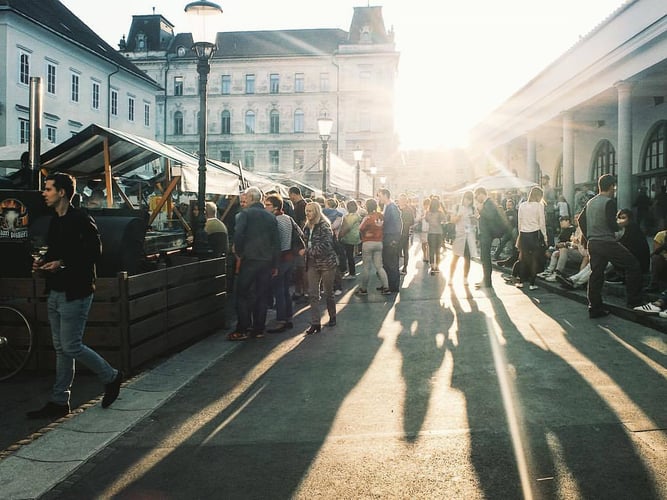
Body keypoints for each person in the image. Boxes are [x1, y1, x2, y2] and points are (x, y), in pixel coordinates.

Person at [27, 172, 122, 419]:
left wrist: (63, 263)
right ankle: (60, 401)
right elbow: (56, 253)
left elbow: (95, 252)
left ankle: (111, 376)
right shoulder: (55, 220)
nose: (44, 193)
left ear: (61, 192)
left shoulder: (80, 218)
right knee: (62, 348)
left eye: (48, 189)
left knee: (71, 345)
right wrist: (44, 264)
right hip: (56, 290)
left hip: (75, 291)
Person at [578, 174, 643, 318]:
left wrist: (588, 234)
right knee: (632, 265)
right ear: (611, 186)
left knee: (596, 274)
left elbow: (581, 220)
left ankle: (594, 307)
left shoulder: (590, 202)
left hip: (593, 242)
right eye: (614, 187)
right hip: (606, 242)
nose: (615, 190)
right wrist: (620, 225)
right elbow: (612, 224)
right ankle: (634, 301)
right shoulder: (609, 202)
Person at [227, 186, 280, 340]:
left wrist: (240, 253)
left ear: (250, 198)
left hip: (250, 260)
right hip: (266, 262)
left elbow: (238, 234)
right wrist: (275, 264)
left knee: (242, 294)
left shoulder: (245, 214)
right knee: (261, 296)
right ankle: (258, 329)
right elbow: (276, 243)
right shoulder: (270, 217)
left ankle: (242, 329)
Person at [264, 194, 299, 333]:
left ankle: (281, 320)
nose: (265, 207)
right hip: (290, 257)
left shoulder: (274, 220)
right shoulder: (288, 218)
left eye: (268, 205)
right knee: (285, 289)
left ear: (276, 207)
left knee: (278, 290)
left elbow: (274, 243)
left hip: (280, 259)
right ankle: (288, 317)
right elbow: (299, 233)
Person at [303, 201, 338, 334]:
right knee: (313, 294)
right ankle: (315, 322)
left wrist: (307, 251)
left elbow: (326, 246)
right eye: (307, 210)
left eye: (310, 210)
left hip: (326, 263)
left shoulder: (324, 226)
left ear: (316, 212)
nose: (308, 213)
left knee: (328, 292)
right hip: (312, 263)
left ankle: (332, 316)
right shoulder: (307, 226)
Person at [604, 208, 650, 284]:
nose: (621, 220)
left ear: (629, 219)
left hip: (638, 263)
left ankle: (621, 276)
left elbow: (624, 246)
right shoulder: (627, 228)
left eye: (624, 218)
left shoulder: (633, 229)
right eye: (619, 218)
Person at [516, 186, 548, 290]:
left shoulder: (522, 205)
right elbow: (542, 223)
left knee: (523, 258)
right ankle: (532, 284)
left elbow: (519, 222)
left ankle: (521, 281)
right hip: (535, 234)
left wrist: (520, 234)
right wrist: (545, 237)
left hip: (524, 233)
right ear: (538, 196)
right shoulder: (539, 206)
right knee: (534, 259)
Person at [357, 198, 389, 295]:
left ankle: (363, 289)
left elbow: (360, 228)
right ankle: (386, 287)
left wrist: (363, 221)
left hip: (368, 243)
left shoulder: (368, 217)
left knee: (366, 267)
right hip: (379, 243)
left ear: (367, 207)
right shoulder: (381, 216)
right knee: (379, 266)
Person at [449, 191, 478, 285]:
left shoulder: (473, 208)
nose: (468, 201)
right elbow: (452, 220)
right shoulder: (457, 207)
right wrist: (459, 216)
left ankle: (465, 278)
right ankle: (451, 278)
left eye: (470, 199)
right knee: (455, 257)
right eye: (466, 198)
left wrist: (473, 218)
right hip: (459, 235)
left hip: (469, 236)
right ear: (463, 198)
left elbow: (475, 223)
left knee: (467, 258)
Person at [474, 186, 501, 289]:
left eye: (477, 196)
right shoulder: (486, 203)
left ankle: (487, 282)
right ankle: (485, 280)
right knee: (484, 258)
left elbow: (490, 216)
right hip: (484, 234)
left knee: (485, 258)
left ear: (481, 194)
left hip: (487, 234)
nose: (477, 199)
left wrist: (481, 211)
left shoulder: (489, 202)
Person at [538, 215, 578, 281]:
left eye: (562, 221)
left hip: (569, 249)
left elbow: (572, 242)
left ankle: (557, 273)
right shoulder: (564, 230)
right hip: (561, 248)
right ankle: (549, 271)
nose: (560, 223)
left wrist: (564, 244)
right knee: (552, 252)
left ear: (568, 221)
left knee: (559, 252)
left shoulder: (573, 229)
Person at [377, 189, 402, 293]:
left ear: (386, 195)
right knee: (387, 262)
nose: (379, 198)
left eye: (380, 196)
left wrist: (396, 239)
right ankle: (387, 285)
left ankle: (393, 287)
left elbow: (398, 223)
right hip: (388, 237)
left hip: (391, 238)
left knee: (391, 263)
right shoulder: (389, 207)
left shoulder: (392, 207)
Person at [288, 186, 308, 301]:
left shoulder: (301, 205)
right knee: (299, 268)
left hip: (300, 242)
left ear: (294, 194)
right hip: (299, 240)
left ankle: (303, 292)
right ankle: (300, 291)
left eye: (290, 195)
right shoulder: (300, 205)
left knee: (301, 267)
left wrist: (300, 234)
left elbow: (303, 222)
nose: (290, 197)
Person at [338, 200, 362, 279]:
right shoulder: (358, 216)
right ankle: (351, 272)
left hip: (348, 238)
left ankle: (351, 273)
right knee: (350, 255)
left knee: (348, 256)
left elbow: (347, 227)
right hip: (355, 237)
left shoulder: (349, 217)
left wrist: (340, 236)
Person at [424, 197, 447, 275]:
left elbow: (426, 219)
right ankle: (437, 266)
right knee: (437, 250)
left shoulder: (428, 212)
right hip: (439, 233)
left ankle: (432, 266)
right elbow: (444, 220)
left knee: (431, 250)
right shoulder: (440, 213)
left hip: (431, 233)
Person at [398, 193, 416, 274]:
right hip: (396, 233)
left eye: (403, 199)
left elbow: (412, 221)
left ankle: (405, 268)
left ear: (406, 201)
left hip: (405, 233)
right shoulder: (396, 208)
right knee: (396, 251)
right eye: (401, 199)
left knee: (405, 251)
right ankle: (395, 267)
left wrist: (405, 223)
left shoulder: (409, 210)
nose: (402, 201)